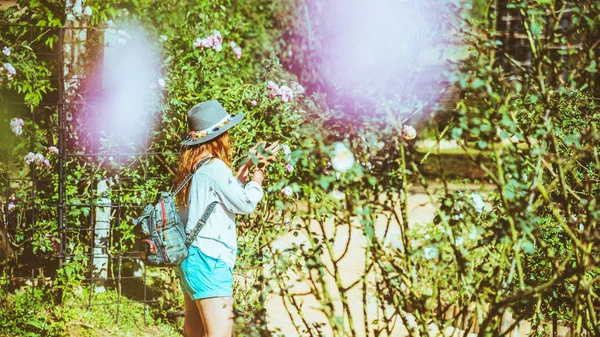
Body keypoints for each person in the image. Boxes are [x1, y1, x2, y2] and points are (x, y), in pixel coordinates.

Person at [173, 100, 279, 337]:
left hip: (191, 258)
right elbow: (245, 202)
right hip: (211, 259)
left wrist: (247, 166)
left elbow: (226, 194)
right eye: (226, 132)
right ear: (219, 137)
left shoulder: (195, 167)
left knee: (194, 331)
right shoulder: (215, 168)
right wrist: (259, 172)